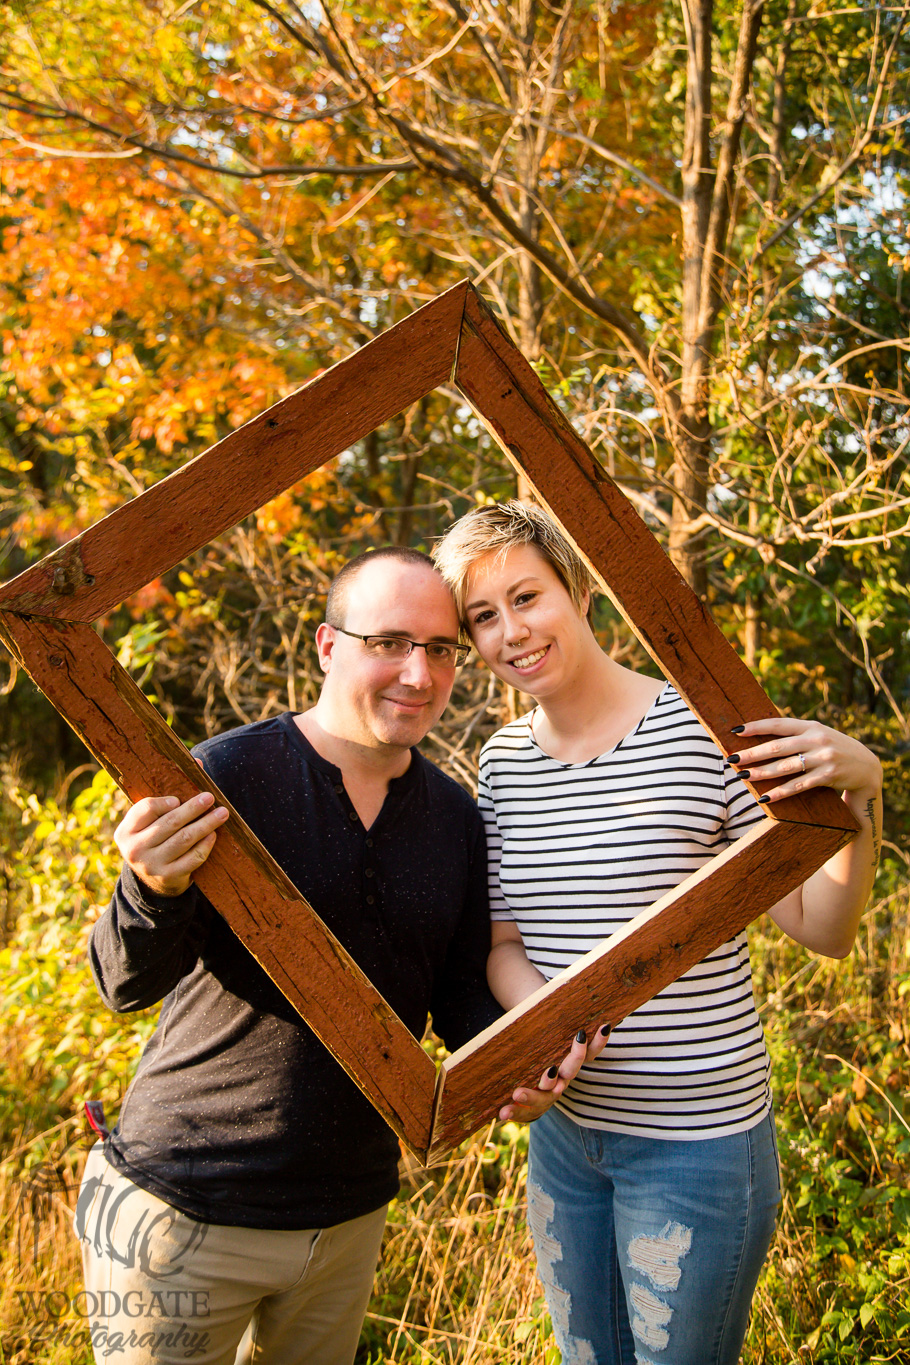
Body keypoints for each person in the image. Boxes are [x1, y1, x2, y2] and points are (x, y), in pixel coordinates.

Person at [76, 545, 603, 1365]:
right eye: (389, 642)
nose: (419, 675)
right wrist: (149, 884)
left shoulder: (455, 818)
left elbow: (459, 997)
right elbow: (122, 982)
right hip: (183, 1207)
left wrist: (518, 1065)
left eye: (439, 649)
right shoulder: (227, 774)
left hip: (347, 1220)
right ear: (328, 645)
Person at [432, 502, 883, 1365]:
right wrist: (550, 1034)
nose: (510, 632)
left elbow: (821, 926)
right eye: (483, 617)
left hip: (698, 1148)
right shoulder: (502, 764)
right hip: (565, 1144)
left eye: (527, 597)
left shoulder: (706, 726)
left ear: (579, 589)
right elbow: (504, 945)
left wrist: (861, 797)